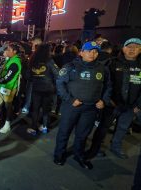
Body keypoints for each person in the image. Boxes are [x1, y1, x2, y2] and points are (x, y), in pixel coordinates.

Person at [53, 41, 112, 170]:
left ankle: (78, 155)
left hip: (90, 108)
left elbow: (108, 86)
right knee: (64, 132)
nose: (92, 54)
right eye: (89, 51)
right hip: (72, 106)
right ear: (81, 52)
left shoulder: (103, 68)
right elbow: (60, 84)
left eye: (95, 51)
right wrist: (69, 99)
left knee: (83, 134)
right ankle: (59, 155)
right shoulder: (70, 66)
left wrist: (104, 100)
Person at [108, 38, 141, 159]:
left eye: (136, 47)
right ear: (123, 49)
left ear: (140, 49)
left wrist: (139, 105)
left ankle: (115, 146)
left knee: (123, 127)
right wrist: (108, 99)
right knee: (103, 127)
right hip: (112, 103)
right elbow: (106, 83)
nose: (132, 49)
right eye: (129, 46)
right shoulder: (113, 63)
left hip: (131, 105)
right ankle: (96, 147)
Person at [26, 44, 59, 135]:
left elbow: (28, 75)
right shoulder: (50, 61)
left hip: (36, 88)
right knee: (46, 108)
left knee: (35, 109)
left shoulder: (32, 60)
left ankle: (33, 128)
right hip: (48, 88)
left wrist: (36, 79)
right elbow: (58, 74)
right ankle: (44, 127)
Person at [0, 44, 22, 133]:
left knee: (8, 106)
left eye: (8, 49)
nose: (6, 51)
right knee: (2, 105)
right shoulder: (11, 59)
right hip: (4, 86)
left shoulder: (15, 62)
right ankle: (1, 121)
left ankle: (7, 124)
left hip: (9, 87)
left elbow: (8, 77)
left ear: (14, 51)